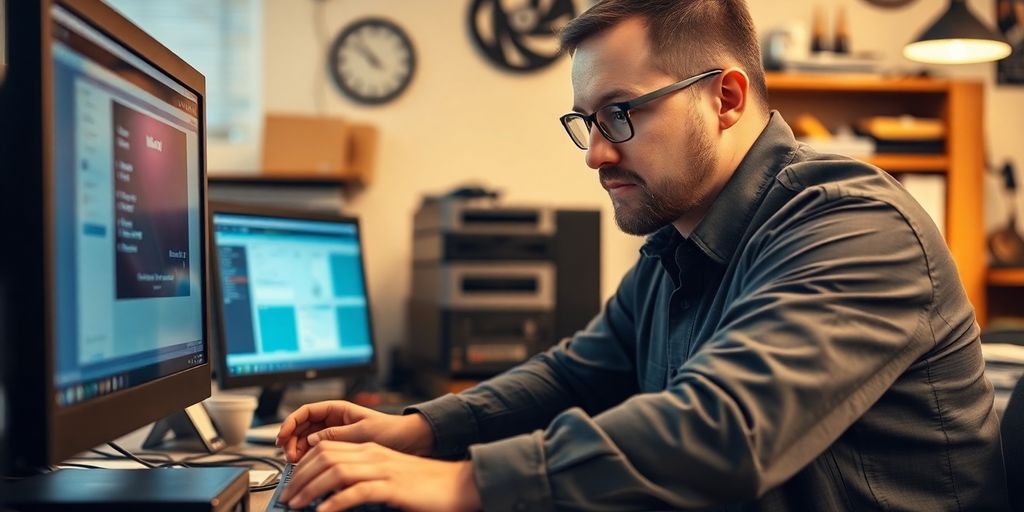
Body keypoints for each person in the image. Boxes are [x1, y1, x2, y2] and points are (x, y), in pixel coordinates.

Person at [275, 1, 1009, 510]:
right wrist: (422, 430)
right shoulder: (678, 240)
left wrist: (462, 484)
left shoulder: (850, 225)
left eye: (621, 114)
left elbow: (724, 429)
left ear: (725, 98)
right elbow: (579, 372)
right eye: (586, 121)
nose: (595, 153)